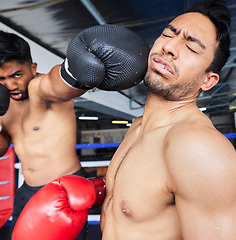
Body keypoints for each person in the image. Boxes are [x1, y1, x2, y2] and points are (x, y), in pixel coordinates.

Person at [0, 25, 149, 239]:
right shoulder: (0, 103)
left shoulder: (39, 88)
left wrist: (78, 71)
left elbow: (57, 85)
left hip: (67, 189)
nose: (10, 85)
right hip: (28, 190)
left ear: (32, 66)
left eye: (16, 74)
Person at [101, 0, 236, 239]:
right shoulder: (138, 126)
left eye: (192, 48)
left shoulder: (199, 147)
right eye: (167, 34)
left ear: (209, 81)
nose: (170, 47)